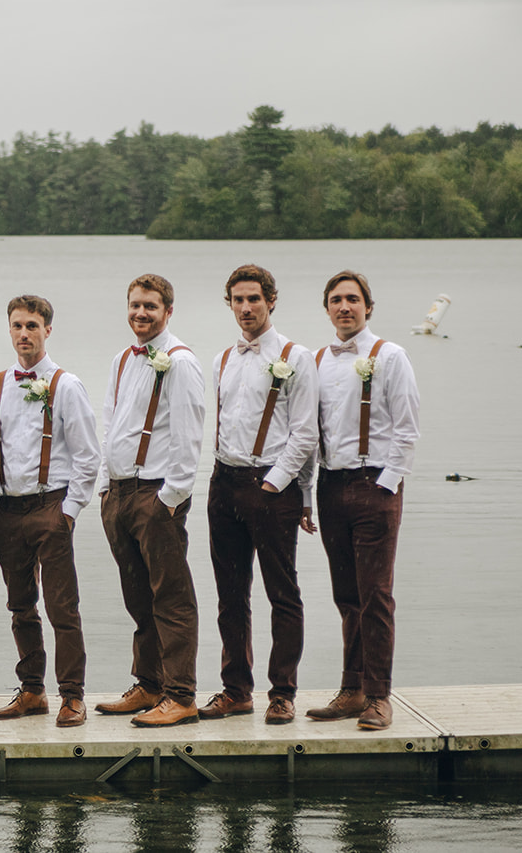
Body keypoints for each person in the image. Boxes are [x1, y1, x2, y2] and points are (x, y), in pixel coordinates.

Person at [203, 264, 318, 725]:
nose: (246, 308)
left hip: (272, 488)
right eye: (237, 300)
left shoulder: (297, 356)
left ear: (271, 300)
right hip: (224, 482)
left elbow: (305, 432)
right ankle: (236, 689)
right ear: (229, 304)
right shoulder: (222, 359)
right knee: (230, 595)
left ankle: (283, 691)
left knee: (282, 592)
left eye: (254, 299)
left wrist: (277, 482)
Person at [306, 270, 420, 731]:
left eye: (353, 299)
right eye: (336, 300)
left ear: (368, 307)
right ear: (327, 308)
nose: (344, 307)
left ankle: (378, 695)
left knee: (376, 596)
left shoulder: (390, 356)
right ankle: (351, 689)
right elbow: (310, 433)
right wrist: (306, 497)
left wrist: (386, 485)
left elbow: (408, 429)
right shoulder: (317, 360)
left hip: (376, 485)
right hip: (330, 485)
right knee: (346, 595)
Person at [0, 295, 98, 728]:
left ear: (48, 329)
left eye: (32, 325)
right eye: (16, 326)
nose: (24, 333)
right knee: (20, 605)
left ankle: (72, 695)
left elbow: (88, 456)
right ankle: (32, 691)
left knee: (62, 607)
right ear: (8, 330)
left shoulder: (66, 385)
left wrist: (68, 511)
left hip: (52, 506)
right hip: (6, 511)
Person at [94, 274, 207, 728]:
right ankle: (150, 683)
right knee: (137, 596)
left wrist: (171, 498)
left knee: (171, 597)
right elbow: (111, 421)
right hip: (120, 494)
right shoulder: (124, 358)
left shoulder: (179, 362)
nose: (141, 314)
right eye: (135, 305)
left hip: (157, 495)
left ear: (168, 311)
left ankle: (181, 695)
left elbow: (188, 433)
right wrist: (105, 486)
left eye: (150, 307)